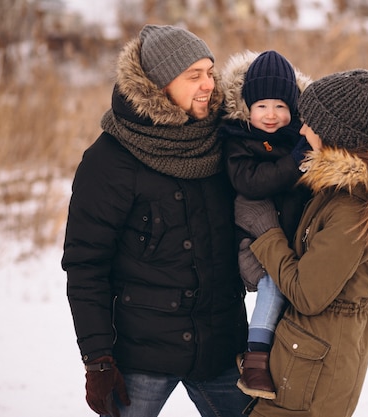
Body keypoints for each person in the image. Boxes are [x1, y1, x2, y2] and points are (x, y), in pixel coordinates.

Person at [61, 25, 251, 417]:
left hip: (221, 345)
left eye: (210, 72)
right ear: (158, 84)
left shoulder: (225, 141)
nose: (208, 86)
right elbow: (86, 265)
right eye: (193, 76)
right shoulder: (111, 159)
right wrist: (97, 359)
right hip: (140, 353)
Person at [234, 69, 368, 417]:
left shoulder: (355, 203)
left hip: (314, 358)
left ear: (335, 135)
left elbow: (308, 293)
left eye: (311, 124)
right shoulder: (342, 186)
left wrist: (264, 231)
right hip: (308, 347)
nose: (303, 130)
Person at [218, 50, 312, 400]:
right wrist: (297, 161)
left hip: (284, 240)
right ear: (247, 108)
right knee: (276, 281)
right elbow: (251, 183)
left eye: (280, 106)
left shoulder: (296, 141)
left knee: (294, 291)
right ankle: (255, 359)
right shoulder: (238, 140)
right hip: (252, 242)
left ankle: (282, 358)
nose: (271, 115)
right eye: (261, 106)